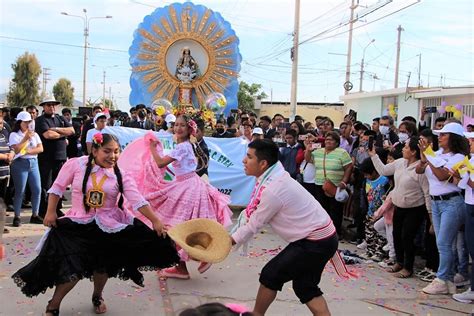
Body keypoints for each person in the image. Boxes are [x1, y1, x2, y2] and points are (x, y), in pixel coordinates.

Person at [11, 133, 179, 315]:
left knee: (102, 267)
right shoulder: (76, 164)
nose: (112, 156)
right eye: (107, 151)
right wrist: (51, 212)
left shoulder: (121, 175)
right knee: (72, 268)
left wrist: (155, 221)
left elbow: (137, 200)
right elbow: (57, 187)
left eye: (116, 152)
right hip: (77, 225)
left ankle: (97, 296)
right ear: (95, 150)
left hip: (107, 227)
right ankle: (54, 304)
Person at [231, 139, 349, 316]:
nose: (243, 160)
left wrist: (228, 241)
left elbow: (254, 223)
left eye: (249, 157)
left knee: (270, 276)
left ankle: (256, 314)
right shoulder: (273, 176)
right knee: (305, 286)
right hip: (322, 237)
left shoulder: (273, 189)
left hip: (315, 241)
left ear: (263, 163)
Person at [123, 115, 232, 279]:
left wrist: (152, 147)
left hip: (187, 188)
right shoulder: (186, 145)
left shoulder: (183, 147)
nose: (178, 128)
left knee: (175, 227)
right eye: (176, 125)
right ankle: (195, 258)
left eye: (182, 125)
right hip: (188, 184)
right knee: (182, 226)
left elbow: (160, 163)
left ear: (190, 129)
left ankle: (191, 262)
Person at [418, 123, 469, 294]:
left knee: (444, 243)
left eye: (443, 135)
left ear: (453, 138)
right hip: (436, 202)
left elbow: (441, 176)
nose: (439, 138)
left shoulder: (459, 157)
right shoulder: (437, 154)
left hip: (452, 202)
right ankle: (448, 278)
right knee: (444, 244)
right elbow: (420, 169)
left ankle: (442, 278)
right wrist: (426, 157)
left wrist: (430, 157)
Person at [369, 137, 430, 278]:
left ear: (414, 151)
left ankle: (408, 267)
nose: (403, 149)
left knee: (407, 236)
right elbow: (384, 170)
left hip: (415, 207)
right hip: (399, 206)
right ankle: (399, 262)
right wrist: (374, 156)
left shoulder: (420, 169)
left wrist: (430, 213)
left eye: (406, 147)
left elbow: (426, 192)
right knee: (396, 235)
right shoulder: (400, 163)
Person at [304, 131, 353, 236]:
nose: (328, 141)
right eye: (327, 139)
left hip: (336, 185)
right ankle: (324, 232)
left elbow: (349, 167)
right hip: (319, 184)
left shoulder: (342, 152)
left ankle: (335, 233)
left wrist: (344, 181)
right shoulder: (318, 151)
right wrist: (308, 150)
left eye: (331, 140)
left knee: (336, 210)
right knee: (322, 209)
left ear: (336, 142)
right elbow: (308, 159)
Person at [36, 97, 75, 218]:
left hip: (61, 157)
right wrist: (63, 135)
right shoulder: (40, 120)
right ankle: (44, 211)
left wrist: (57, 130)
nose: (51, 107)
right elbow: (48, 135)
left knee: (58, 185)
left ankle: (56, 209)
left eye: (53, 105)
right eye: (48, 105)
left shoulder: (60, 118)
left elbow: (72, 130)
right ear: (44, 107)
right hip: (46, 158)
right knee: (46, 186)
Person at [450, 131, 474, 303]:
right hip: (469, 204)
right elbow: (463, 183)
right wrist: (460, 176)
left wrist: (465, 175)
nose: (469, 142)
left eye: (472, 139)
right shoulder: (471, 159)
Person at [9, 112, 43, 227]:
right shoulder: (14, 135)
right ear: (19, 123)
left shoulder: (34, 134)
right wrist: (25, 139)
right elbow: (16, 150)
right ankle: (17, 216)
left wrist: (29, 151)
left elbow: (40, 148)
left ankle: (35, 214)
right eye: (25, 122)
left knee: (37, 189)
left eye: (29, 122)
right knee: (20, 191)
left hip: (33, 162)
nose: (27, 124)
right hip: (20, 163)